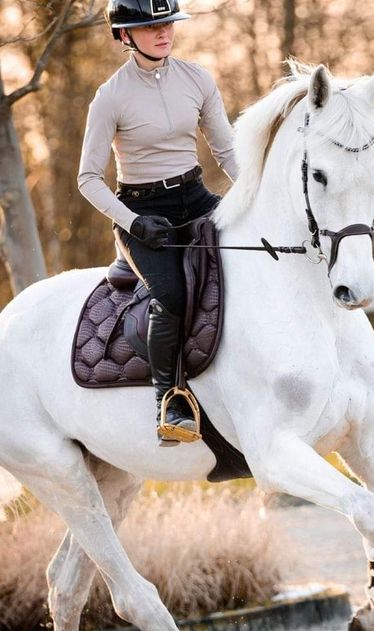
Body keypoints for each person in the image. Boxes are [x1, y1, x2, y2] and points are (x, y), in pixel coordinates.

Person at [78, 0, 238, 444]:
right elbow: (87, 179)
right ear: (125, 36)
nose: (163, 33)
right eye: (150, 27)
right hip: (144, 213)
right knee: (170, 294)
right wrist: (132, 222)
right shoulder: (110, 96)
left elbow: (226, 151)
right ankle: (170, 401)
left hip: (197, 196)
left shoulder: (198, 79)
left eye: (167, 23)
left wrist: (253, 196)